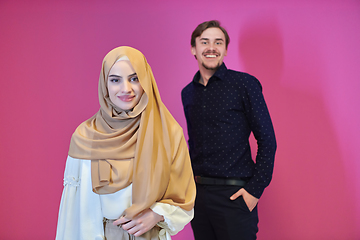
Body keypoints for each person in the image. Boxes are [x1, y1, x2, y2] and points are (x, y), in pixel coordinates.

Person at [56, 46, 196, 240]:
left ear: (146, 81)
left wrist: (157, 214)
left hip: (149, 236)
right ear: (105, 84)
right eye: (115, 80)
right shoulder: (85, 136)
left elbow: (184, 198)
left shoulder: (168, 133)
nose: (126, 89)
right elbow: (71, 213)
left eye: (134, 78)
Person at [181, 20, 277, 240]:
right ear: (193, 49)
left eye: (218, 42)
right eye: (204, 42)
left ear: (225, 50)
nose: (211, 47)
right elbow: (192, 142)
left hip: (235, 195)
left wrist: (254, 190)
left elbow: (267, 139)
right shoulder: (187, 92)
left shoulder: (245, 84)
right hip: (199, 196)